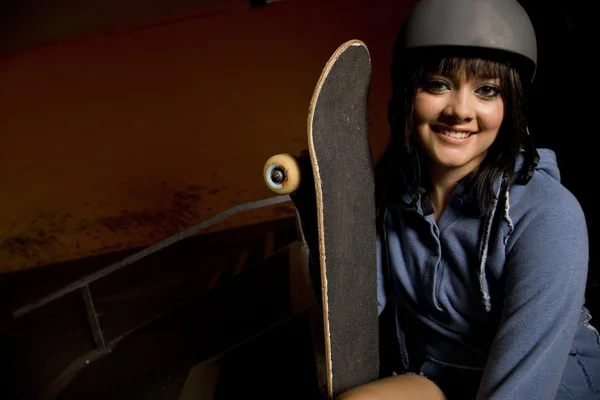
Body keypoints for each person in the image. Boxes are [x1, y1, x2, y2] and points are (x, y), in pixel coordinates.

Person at [292, 0, 600, 398]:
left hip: (542, 385)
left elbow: (526, 386)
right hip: (444, 376)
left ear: (511, 107)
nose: (460, 111)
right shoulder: (395, 197)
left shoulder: (548, 216)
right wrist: (325, 214)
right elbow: (361, 310)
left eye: (487, 90)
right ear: (409, 92)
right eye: (438, 84)